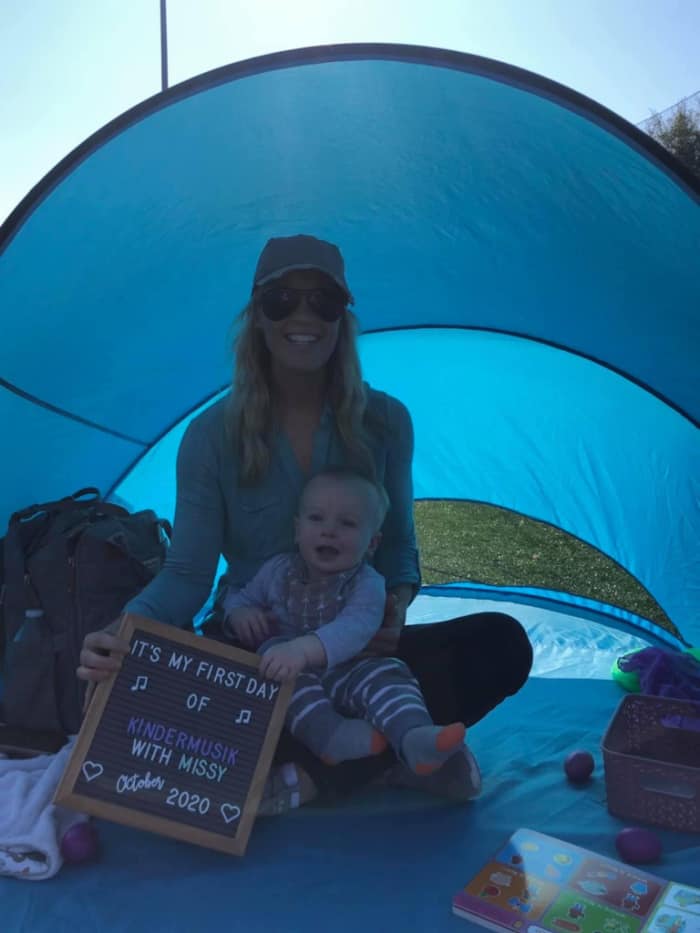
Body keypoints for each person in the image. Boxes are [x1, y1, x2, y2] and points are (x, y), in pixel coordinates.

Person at [77, 233, 533, 813]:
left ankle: (313, 777)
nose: (303, 316)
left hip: (353, 650)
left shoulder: (387, 421)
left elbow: (397, 549)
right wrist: (123, 631)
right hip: (256, 656)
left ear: (343, 317)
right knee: (169, 707)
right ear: (257, 317)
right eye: (281, 300)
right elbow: (187, 574)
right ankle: (382, 760)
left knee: (502, 644)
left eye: (323, 302)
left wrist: (392, 605)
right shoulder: (210, 436)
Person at [224, 467, 470, 779]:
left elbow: (355, 627)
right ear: (297, 529)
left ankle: (414, 738)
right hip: (294, 673)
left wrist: (302, 650)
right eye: (316, 519)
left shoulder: (367, 582)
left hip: (351, 669)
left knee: (389, 674)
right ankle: (330, 736)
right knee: (274, 667)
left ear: (372, 543)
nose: (329, 531)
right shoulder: (277, 571)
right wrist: (239, 614)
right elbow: (240, 598)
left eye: (347, 523)